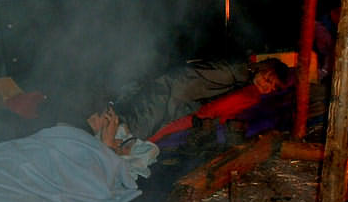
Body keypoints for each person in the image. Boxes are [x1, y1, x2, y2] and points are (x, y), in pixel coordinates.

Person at [112, 57, 292, 142]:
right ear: (262, 68)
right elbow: (190, 79)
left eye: (271, 87)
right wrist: (171, 107)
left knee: (132, 131)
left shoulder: (243, 78)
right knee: (134, 128)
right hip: (168, 92)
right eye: (267, 79)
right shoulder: (233, 72)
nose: (266, 87)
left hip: (174, 96)